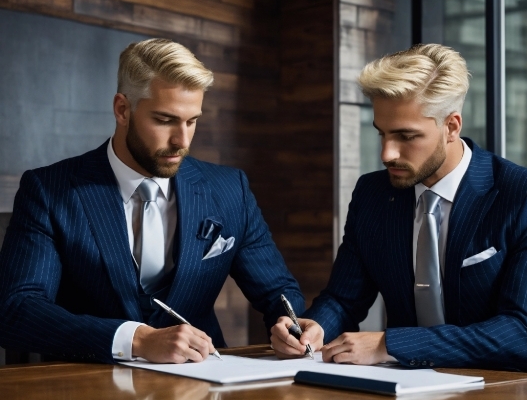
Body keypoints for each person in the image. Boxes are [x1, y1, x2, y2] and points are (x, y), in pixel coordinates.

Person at [0, 38, 304, 364]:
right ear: (122, 110)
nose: (182, 141)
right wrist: (135, 339)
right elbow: (17, 309)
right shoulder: (49, 190)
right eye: (164, 120)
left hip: (205, 385)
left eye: (192, 121)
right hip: (89, 389)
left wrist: (292, 324)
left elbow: (278, 293)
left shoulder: (231, 189)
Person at [271, 43, 527, 373]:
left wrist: (389, 344)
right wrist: (313, 327)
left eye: (406, 136)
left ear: (451, 126)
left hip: (498, 396)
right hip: (401, 395)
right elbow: (344, 299)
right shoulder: (372, 194)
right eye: (382, 134)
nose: (387, 153)